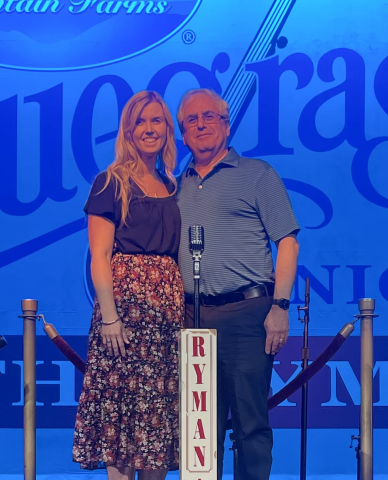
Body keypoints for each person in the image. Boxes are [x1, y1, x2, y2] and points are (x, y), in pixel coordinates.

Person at [176, 88, 300, 480]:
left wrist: (280, 307)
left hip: (248, 315)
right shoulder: (173, 186)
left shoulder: (258, 175)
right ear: (182, 134)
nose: (201, 125)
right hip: (191, 317)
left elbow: (288, 242)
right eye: (191, 120)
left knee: (250, 425)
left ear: (226, 125)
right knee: (199, 430)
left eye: (209, 116)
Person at [73, 91, 183, 480]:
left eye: (157, 121)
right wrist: (109, 317)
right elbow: (100, 256)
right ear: (128, 130)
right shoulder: (111, 182)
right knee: (121, 415)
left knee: (156, 420)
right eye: (141, 122)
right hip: (124, 315)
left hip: (166, 319)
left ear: (167, 129)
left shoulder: (171, 184)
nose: (150, 129)